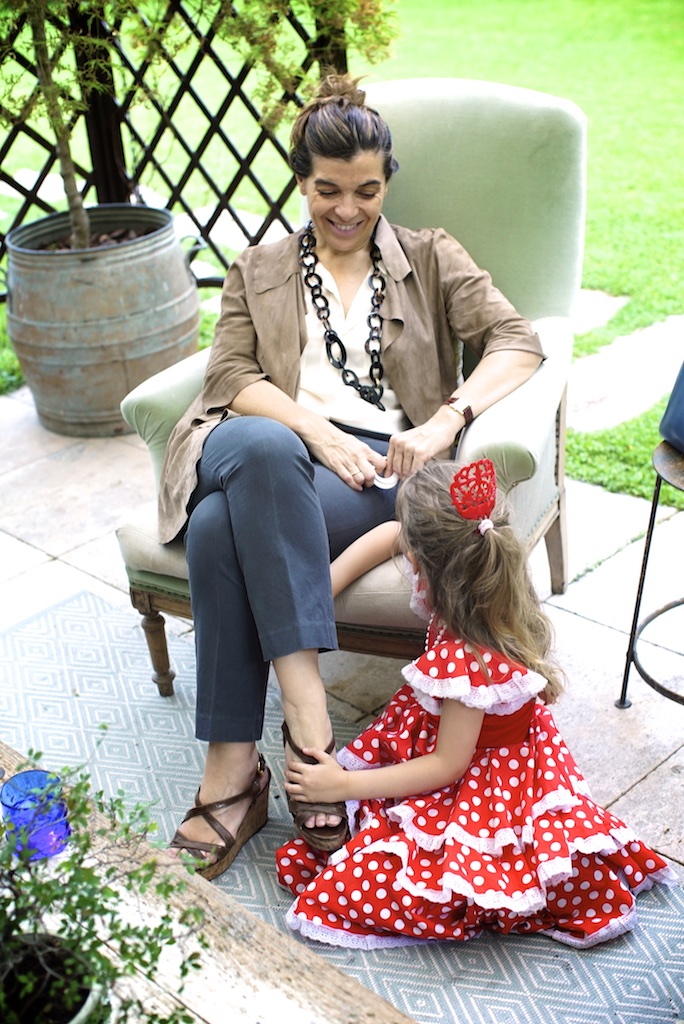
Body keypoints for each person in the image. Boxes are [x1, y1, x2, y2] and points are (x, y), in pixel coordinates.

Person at [159, 73, 544, 879]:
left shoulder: (430, 256)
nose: (346, 209)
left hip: (374, 474)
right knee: (263, 452)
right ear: (301, 181)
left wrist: (445, 421)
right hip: (261, 440)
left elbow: (517, 340)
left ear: (386, 182)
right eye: (327, 190)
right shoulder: (259, 267)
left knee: (221, 526)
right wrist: (317, 431)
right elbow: (228, 375)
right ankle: (308, 719)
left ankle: (232, 775)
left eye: (366, 191)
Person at [277, 458, 678, 949]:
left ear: (423, 565)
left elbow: (446, 765)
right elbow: (390, 535)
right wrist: (318, 596)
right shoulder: (483, 571)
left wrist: (344, 783)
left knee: (354, 887)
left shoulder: (469, 659)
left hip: (481, 780)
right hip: (482, 744)